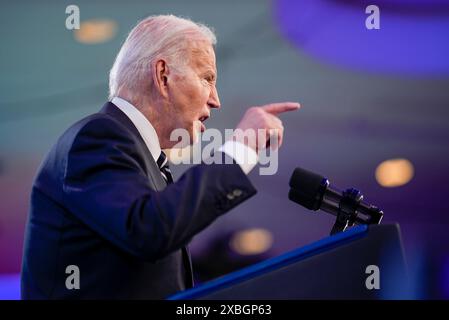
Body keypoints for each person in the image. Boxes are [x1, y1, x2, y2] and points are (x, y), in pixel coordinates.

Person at [21, 15, 300, 299]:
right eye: (207, 78)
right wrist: (242, 147)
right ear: (163, 75)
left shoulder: (143, 161)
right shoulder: (97, 136)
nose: (216, 99)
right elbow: (150, 229)